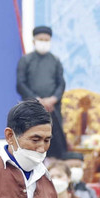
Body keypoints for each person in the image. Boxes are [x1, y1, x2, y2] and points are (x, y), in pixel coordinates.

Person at [16, 26, 67, 159]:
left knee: (55, 142)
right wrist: (37, 100)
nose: (43, 42)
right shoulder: (25, 60)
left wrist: (53, 99)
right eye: (41, 39)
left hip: (52, 109)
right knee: (32, 138)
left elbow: (61, 83)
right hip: (31, 108)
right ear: (34, 41)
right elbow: (21, 84)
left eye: (46, 40)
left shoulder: (55, 60)